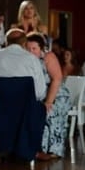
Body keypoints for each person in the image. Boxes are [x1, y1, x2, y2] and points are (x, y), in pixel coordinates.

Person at [25, 32, 72, 160]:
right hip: (39, 95)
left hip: (57, 94)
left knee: (50, 112)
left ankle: (54, 150)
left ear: (41, 48)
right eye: (28, 48)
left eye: (34, 48)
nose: (31, 51)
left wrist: (49, 101)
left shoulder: (48, 57)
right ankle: (38, 149)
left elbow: (57, 79)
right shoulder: (27, 60)